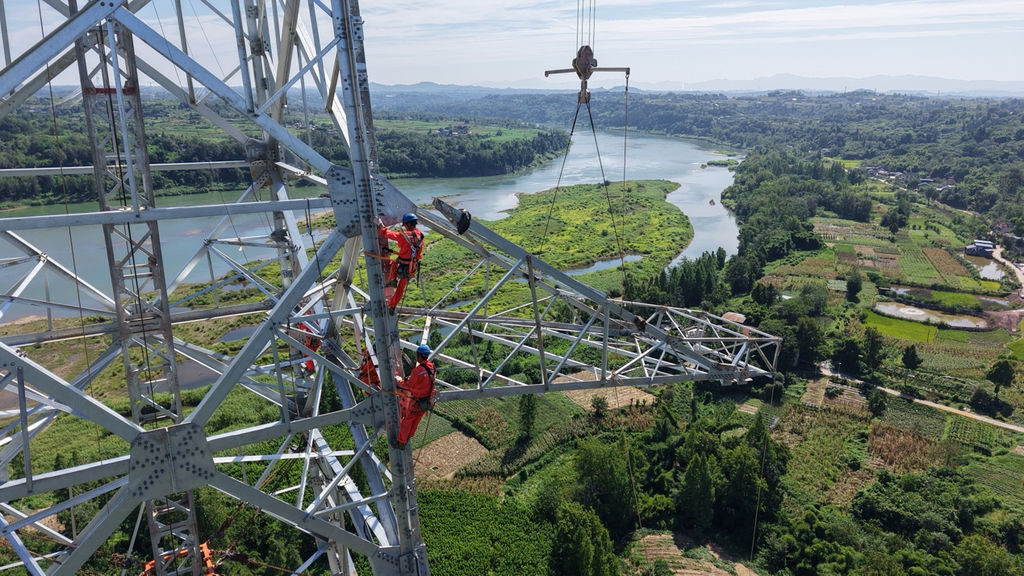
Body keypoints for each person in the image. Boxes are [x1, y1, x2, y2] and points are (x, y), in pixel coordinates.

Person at [392, 343, 436, 450]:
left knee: (406, 422)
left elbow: (408, 385)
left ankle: (401, 443)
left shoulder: (417, 371)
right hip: (427, 401)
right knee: (415, 421)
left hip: (417, 402)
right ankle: (407, 439)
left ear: (419, 356)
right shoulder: (432, 367)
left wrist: (398, 379)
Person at [379, 213, 424, 313]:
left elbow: (388, 234)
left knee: (392, 263)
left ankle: (393, 279)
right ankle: (393, 306)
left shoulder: (404, 235)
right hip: (412, 267)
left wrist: (381, 225)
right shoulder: (420, 235)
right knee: (401, 288)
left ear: (407, 224)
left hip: (403, 265)